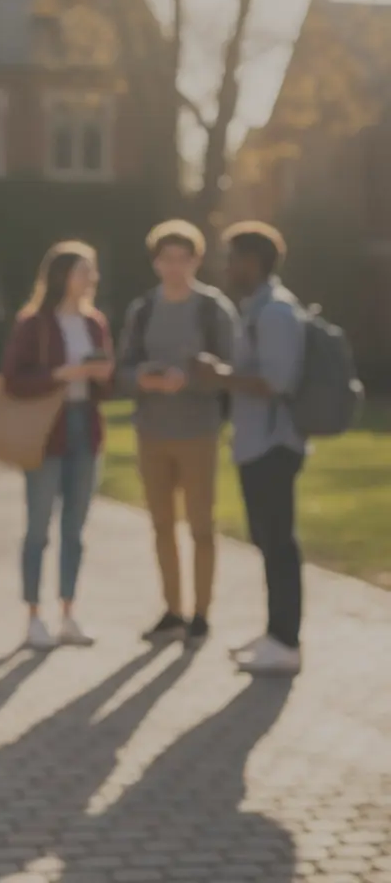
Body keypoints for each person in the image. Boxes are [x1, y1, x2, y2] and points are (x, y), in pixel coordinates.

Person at [191, 222, 305, 676]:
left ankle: (286, 641)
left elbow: (276, 382)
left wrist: (218, 376)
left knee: (279, 543)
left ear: (253, 262)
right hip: (257, 444)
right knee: (268, 540)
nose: (226, 266)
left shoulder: (276, 312)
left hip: (274, 444)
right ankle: (276, 633)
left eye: (231, 257)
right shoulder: (257, 308)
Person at [117, 220, 237, 648]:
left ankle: (201, 615)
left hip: (199, 432)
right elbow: (123, 368)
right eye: (166, 258)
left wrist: (190, 380)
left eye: (183, 258)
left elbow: (231, 371)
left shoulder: (213, 308)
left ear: (196, 260)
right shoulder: (143, 309)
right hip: (152, 432)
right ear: (156, 262)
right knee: (162, 525)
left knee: (202, 526)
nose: (174, 266)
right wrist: (145, 381)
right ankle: (173, 610)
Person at [1, 241, 114, 651]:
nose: (92, 278)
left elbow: (109, 385)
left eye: (93, 271)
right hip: (46, 433)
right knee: (38, 528)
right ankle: (33, 617)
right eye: (86, 270)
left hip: (87, 428)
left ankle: (68, 613)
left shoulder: (95, 323)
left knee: (75, 528)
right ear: (65, 275)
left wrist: (101, 374)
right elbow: (14, 378)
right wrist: (64, 373)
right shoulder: (34, 324)